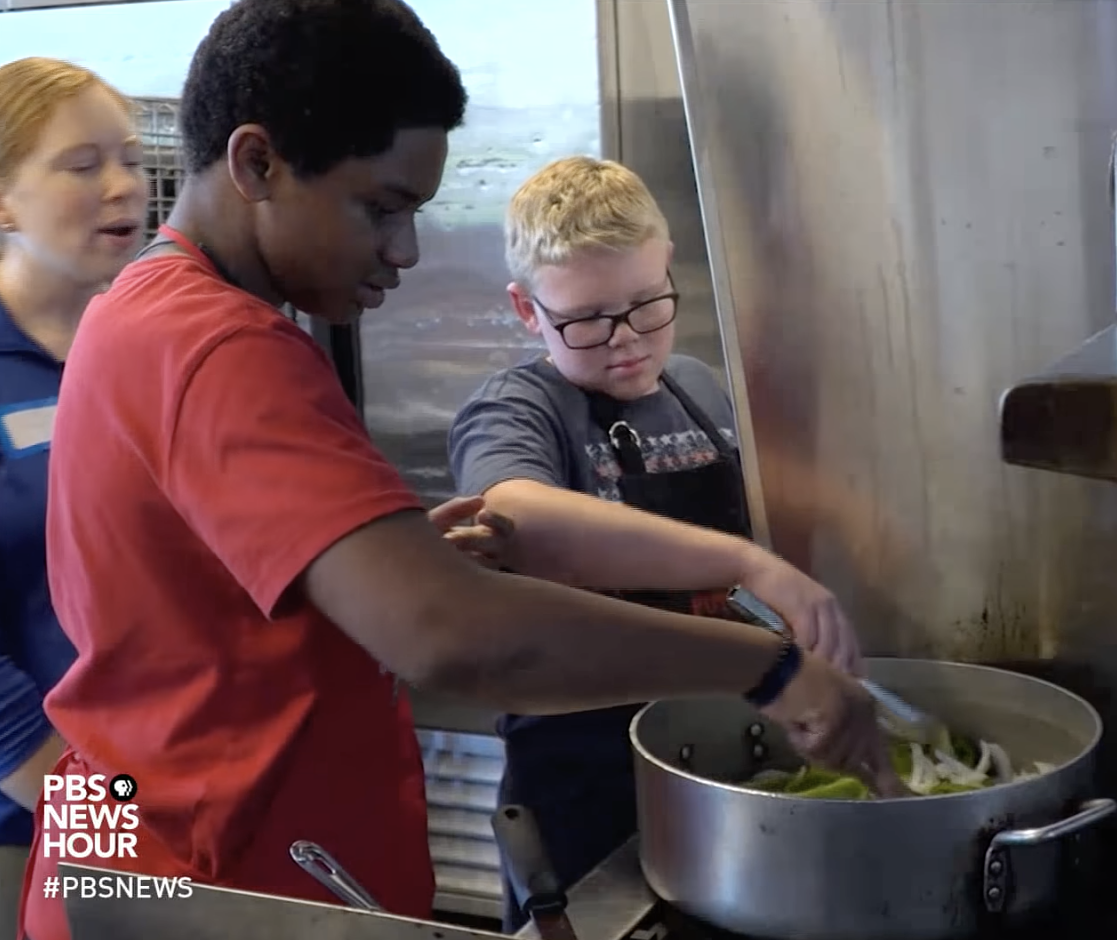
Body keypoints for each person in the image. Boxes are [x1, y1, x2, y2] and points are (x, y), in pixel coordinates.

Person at [18, 3, 896, 939]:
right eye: (381, 208)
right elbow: (449, 637)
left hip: (128, 852)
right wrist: (767, 667)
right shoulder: (221, 344)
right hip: (210, 885)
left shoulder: (140, 310)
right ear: (257, 164)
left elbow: (185, 608)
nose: (406, 251)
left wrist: (382, 568)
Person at [447, 155, 866, 931]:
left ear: (668, 265)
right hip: (580, 783)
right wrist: (744, 562)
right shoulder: (519, 410)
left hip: (717, 761)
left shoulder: (699, 387)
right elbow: (517, 514)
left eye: (647, 305)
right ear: (526, 310)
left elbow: (787, 503)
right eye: (585, 319)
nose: (626, 340)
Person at [0, 57, 149, 938]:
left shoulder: (149, 348)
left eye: (129, 158)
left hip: (162, 791)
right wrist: (94, 816)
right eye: (83, 164)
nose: (123, 184)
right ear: (4, 200)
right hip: (30, 825)